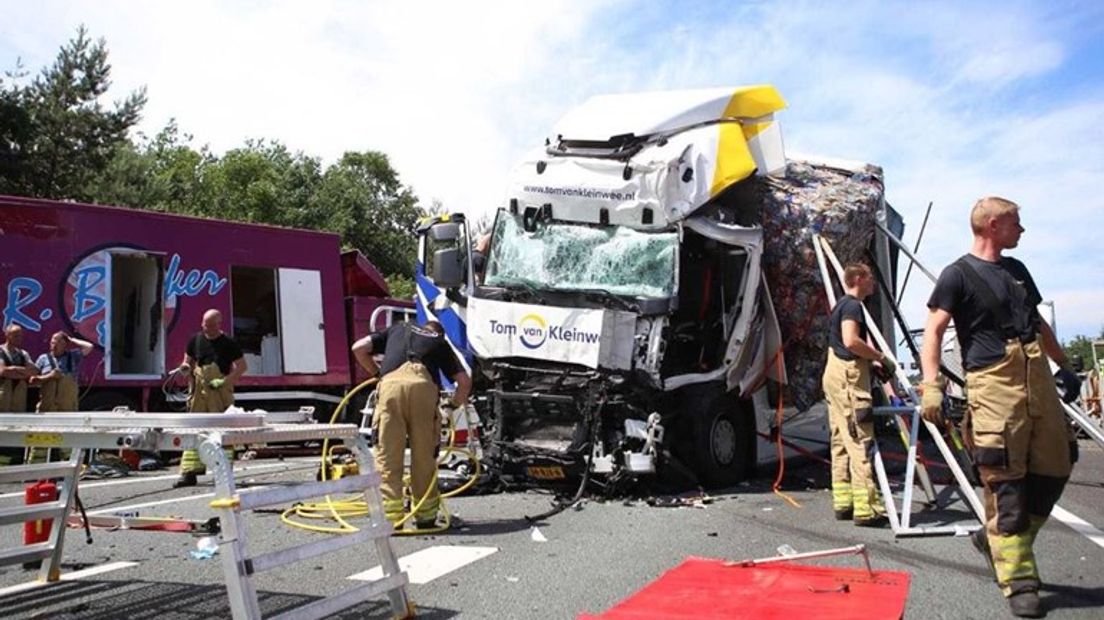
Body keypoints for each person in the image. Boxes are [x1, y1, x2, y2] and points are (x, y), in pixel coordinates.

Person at [920, 197, 1078, 618]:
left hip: (1037, 378)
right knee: (1005, 482)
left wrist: (1064, 365)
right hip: (994, 386)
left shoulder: (1018, 271)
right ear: (993, 226)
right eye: (1015, 224)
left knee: (1057, 466)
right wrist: (930, 386)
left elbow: (1039, 325)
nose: (1021, 230)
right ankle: (1018, 579)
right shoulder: (957, 275)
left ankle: (995, 542)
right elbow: (933, 332)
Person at [352, 320, 471, 529]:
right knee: (424, 456)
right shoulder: (439, 342)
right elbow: (464, 381)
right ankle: (425, 517)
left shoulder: (398, 328)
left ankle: (391, 520)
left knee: (387, 455)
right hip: (423, 390)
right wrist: (451, 406)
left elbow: (358, 348)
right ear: (439, 334)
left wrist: (378, 375)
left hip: (390, 388)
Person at [822, 262, 892, 527]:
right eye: (871, 278)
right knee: (859, 438)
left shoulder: (839, 306)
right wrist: (879, 358)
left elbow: (842, 343)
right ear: (859, 278)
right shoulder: (852, 306)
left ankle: (844, 502)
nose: (873, 283)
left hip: (835, 376)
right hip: (849, 378)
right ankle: (867, 508)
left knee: (840, 439)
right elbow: (851, 341)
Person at [173, 309, 247, 488]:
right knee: (194, 430)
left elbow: (242, 367)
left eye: (212, 326)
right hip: (199, 392)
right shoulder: (195, 340)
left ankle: (222, 473)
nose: (208, 329)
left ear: (219, 325)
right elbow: (187, 361)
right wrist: (184, 368)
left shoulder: (229, 343)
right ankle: (189, 473)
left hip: (220, 393)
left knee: (222, 431)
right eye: (205, 325)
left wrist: (224, 381)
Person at [0, 324, 37, 413]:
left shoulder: (23, 354)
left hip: (19, 395)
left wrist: (13, 369)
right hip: (3, 392)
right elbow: (2, 371)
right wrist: (23, 372)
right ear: (7, 335)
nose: (19, 338)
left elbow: (34, 371)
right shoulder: (1, 351)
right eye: (16, 335)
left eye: (20, 336)